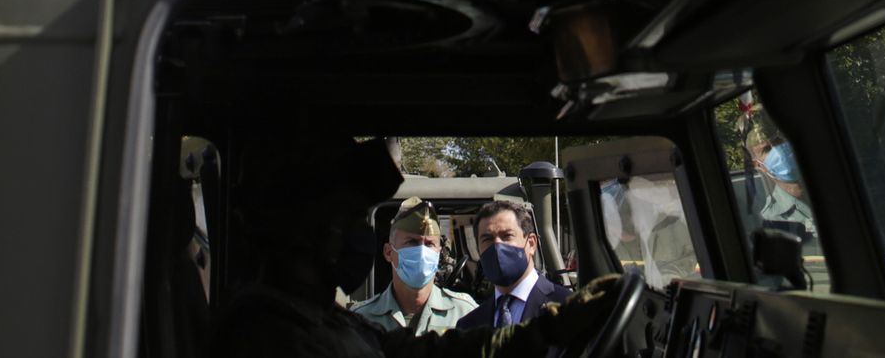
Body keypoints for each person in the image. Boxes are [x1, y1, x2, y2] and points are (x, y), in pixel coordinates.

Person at [208, 136, 620, 358]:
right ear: (308, 231)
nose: (358, 236)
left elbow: (430, 353)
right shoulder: (270, 335)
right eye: (350, 219)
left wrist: (547, 329)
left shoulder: (326, 320)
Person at [350, 198, 478, 334]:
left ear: (439, 254)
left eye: (429, 244)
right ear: (388, 252)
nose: (422, 252)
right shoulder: (361, 319)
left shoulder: (464, 313)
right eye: (412, 242)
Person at [456, 201, 571, 331]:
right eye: (487, 239)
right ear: (478, 249)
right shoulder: (468, 325)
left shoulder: (567, 307)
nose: (497, 246)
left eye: (507, 236)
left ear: (531, 244)